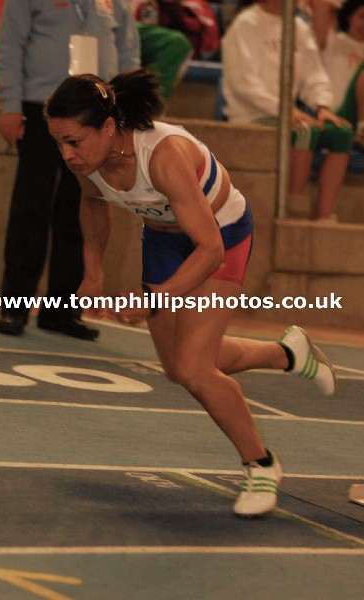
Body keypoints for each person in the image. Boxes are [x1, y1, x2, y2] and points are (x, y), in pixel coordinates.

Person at [44, 68, 336, 517]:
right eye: (59, 143)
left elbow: (211, 250)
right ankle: (287, 354)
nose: (67, 154)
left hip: (221, 236)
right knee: (178, 368)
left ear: (109, 127)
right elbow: (92, 202)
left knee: (194, 368)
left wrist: (153, 299)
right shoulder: (88, 161)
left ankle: (260, 463)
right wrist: (93, 272)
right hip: (164, 242)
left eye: (74, 142)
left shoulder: (163, 155)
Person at [0, 0, 140, 339]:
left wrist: (127, 111)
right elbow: (11, 45)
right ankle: (14, 308)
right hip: (41, 109)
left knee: (81, 211)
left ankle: (62, 311)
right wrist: (11, 105)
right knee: (30, 209)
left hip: (95, 116)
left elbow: (128, 53)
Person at [221, 0, 354, 221]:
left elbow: (314, 74)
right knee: (303, 131)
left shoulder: (298, 27)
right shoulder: (245, 24)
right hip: (251, 114)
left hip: (289, 114)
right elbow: (243, 83)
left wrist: (322, 106)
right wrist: (284, 110)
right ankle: (293, 209)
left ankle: (324, 214)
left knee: (341, 134)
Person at [310, 0, 364, 150]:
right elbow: (322, 4)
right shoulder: (334, 42)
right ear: (350, 17)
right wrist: (340, 6)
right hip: (337, 113)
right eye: (361, 17)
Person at [132, 0, 193, 101]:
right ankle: (150, 100)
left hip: (131, 27)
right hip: (123, 24)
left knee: (179, 44)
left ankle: (151, 100)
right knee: (177, 43)